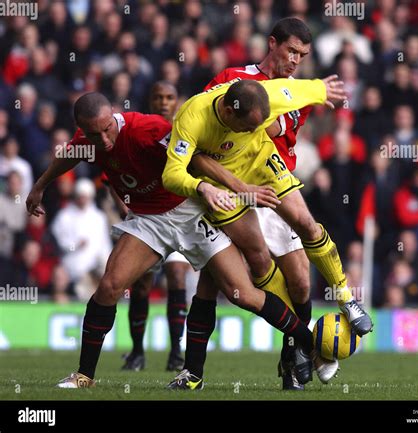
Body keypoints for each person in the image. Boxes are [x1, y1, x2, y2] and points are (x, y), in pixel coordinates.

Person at [26, 92, 319, 389]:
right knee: (110, 286)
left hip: (191, 212)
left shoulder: (146, 129)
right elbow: (69, 156)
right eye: (93, 134)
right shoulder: (87, 139)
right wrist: (40, 187)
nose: (102, 140)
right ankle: (84, 376)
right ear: (82, 128)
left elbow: (196, 157)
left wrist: (225, 188)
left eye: (106, 130)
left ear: (113, 114)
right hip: (150, 221)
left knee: (241, 294)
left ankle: (309, 344)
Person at [163, 77, 373, 389]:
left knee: (306, 223)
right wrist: (202, 187)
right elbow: (172, 172)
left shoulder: (268, 93)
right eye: (249, 126)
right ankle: (303, 343)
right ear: (231, 114)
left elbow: (301, 90)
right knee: (257, 258)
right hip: (223, 188)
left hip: (262, 163)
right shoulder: (192, 116)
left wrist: (322, 90)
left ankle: (344, 296)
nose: (253, 131)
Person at [189, 17, 338, 390]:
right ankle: (192, 372)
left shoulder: (297, 93)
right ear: (272, 43)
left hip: (274, 189)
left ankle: (292, 357)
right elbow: (208, 121)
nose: (294, 61)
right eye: (290, 51)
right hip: (230, 187)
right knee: (215, 282)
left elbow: (270, 129)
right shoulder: (230, 76)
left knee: (301, 281)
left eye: (302, 56)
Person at [105, 81, 190, 372]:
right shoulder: (137, 131)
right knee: (140, 286)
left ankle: (176, 353)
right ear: (151, 100)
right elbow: (112, 176)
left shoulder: (185, 131)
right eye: (158, 97)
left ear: (177, 101)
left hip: (179, 215)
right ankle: (137, 351)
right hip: (145, 217)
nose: (164, 102)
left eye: (169, 97)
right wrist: (124, 205)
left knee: (177, 277)